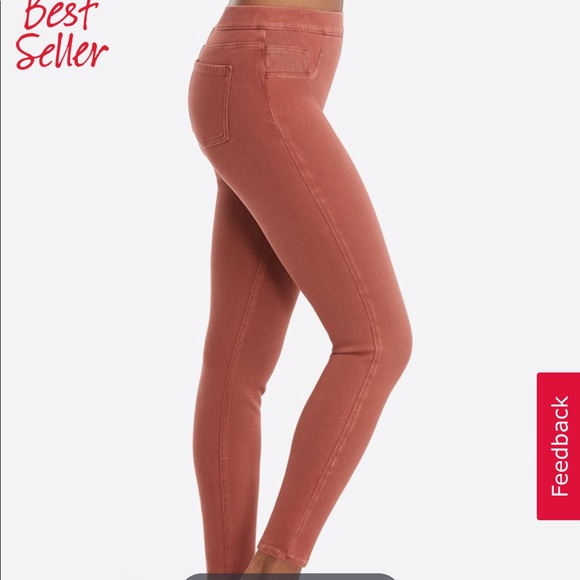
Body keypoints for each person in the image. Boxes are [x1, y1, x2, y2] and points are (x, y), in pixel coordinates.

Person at [188, 0, 412, 574]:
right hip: (267, 70)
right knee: (377, 341)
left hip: (260, 67)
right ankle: (275, 569)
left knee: (237, 366)